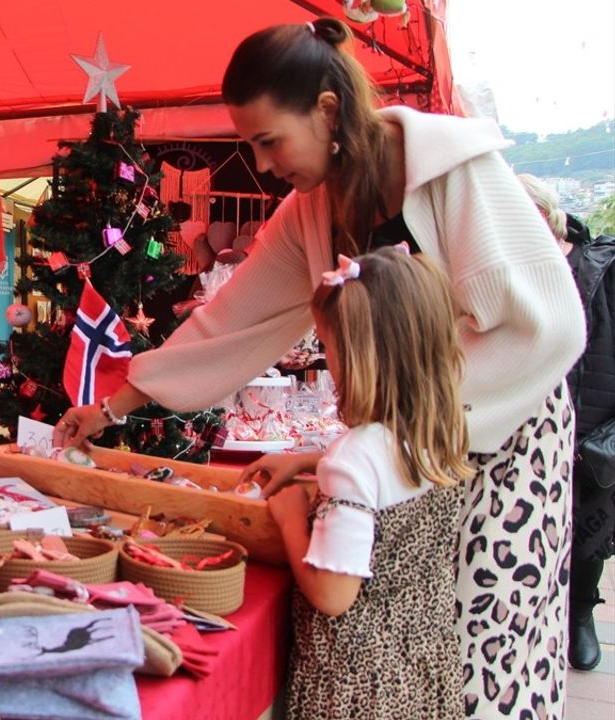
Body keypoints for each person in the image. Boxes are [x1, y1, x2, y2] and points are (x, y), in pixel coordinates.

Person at [54, 18, 585, 717]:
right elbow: (229, 324)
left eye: (269, 141)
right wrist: (117, 404)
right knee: (413, 638)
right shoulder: (312, 210)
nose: (264, 164)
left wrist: (404, 432)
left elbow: (546, 326)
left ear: (328, 110)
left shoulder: (452, 171)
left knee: (486, 648)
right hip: (409, 443)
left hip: (499, 432)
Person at [269, 247, 468, 718]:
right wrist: (307, 463)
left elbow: (332, 595)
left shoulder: (352, 460)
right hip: (420, 656)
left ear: (361, 358)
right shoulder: (439, 428)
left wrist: (291, 517)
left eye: (328, 348)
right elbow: (391, 479)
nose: (327, 363)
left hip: (357, 682)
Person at [520, 173, 615, 672]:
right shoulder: (514, 269)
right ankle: (543, 613)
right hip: (530, 420)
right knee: (535, 527)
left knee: (589, 526)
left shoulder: (599, 265)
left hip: (591, 414)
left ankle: (581, 613)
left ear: (543, 215)